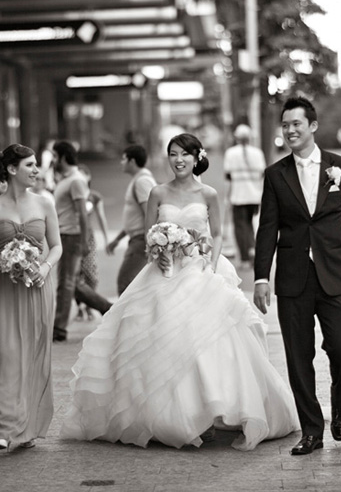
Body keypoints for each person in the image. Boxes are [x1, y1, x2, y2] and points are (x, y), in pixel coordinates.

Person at [62, 133, 298, 450]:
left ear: (196, 156)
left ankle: (209, 412)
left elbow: (215, 235)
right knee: (162, 341)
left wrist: (209, 266)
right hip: (163, 273)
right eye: (173, 154)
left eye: (184, 154)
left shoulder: (210, 193)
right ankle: (176, 419)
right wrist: (158, 252)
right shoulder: (158, 193)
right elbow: (149, 235)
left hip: (200, 270)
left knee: (205, 340)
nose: (178, 160)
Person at [253, 96, 341, 455]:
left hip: (335, 273)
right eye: (286, 125)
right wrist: (262, 276)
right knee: (298, 356)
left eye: (297, 124)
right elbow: (267, 228)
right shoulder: (275, 175)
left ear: (313, 126)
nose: (290, 131)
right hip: (293, 279)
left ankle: (340, 400)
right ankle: (311, 429)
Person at [0, 144, 61, 451]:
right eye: (30, 165)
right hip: (1, 289)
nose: (37, 170)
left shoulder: (45, 203)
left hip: (37, 287)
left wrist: (45, 268)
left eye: (37, 165)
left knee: (33, 355)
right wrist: (4, 263)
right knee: (4, 354)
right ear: (12, 170)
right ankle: (1, 427)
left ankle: (26, 427)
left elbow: (56, 245)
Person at [51, 141, 112, 342]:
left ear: (63, 157)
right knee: (74, 284)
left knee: (66, 284)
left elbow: (82, 213)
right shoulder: (66, 180)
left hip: (72, 236)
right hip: (65, 235)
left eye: (55, 156)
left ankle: (59, 328)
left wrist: (84, 240)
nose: (53, 160)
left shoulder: (76, 180)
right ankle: (107, 308)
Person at [105, 145, 157, 295]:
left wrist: (150, 245)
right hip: (138, 239)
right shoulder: (139, 180)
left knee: (125, 283)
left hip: (141, 241)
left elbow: (149, 213)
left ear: (132, 161)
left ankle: (131, 318)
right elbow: (136, 217)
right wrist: (117, 239)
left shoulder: (142, 181)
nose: (121, 162)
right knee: (132, 285)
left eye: (123, 159)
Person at [223, 124, 266, 268]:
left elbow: (228, 176)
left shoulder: (230, 153)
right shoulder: (258, 153)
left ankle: (246, 258)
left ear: (236, 138)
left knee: (240, 227)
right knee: (249, 225)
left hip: (238, 195)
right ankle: (253, 249)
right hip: (254, 196)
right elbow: (262, 173)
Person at [76, 164, 109, 321]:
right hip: (73, 237)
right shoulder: (73, 194)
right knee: (76, 275)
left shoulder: (94, 196)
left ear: (89, 177)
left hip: (89, 239)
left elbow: (101, 217)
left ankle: (90, 305)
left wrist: (107, 238)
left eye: (83, 174)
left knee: (91, 275)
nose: (80, 177)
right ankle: (79, 309)